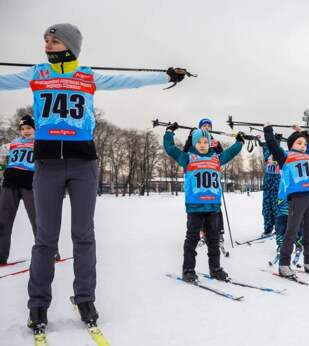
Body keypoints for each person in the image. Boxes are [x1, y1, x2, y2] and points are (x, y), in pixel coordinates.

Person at [0, 23, 189, 333]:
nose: (47, 44)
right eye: (45, 40)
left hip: (82, 164)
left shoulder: (88, 75)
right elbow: (4, 82)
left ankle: (86, 297)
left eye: (54, 40)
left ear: (70, 45)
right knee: (45, 238)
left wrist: (165, 75)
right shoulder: (37, 73)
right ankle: (38, 303)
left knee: (83, 234)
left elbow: (128, 80)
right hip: (47, 164)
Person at [164, 122, 243, 282]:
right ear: (194, 143)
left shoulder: (216, 159)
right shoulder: (187, 158)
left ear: (210, 143)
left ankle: (215, 268)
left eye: (205, 142)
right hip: (195, 207)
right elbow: (170, 149)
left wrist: (240, 141)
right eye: (199, 142)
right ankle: (188, 270)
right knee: (192, 238)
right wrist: (169, 132)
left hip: (213, 206)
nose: (202, 145)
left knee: (213, 239)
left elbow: (231, 152)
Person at [264, 124, 309, 278]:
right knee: (291, 231)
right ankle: (284, 264)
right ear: (291, 145)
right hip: (297, 198)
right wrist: (268, 130)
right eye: (299, 143)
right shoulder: (285, 157)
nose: (303, 146)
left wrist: (302, 133)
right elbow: (272, 145)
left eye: (304, 144)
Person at [0, 116, 39, 264]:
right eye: (23, 129)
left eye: (29, 128)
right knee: (3, 220)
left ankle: (50, 253)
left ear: (35, 129)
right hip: (10, 183)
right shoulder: (14, 143)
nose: (26, 131)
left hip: (30, 183)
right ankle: (1, 256)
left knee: (38, 219)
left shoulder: (40, 142)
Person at [261, 141, 281, 236]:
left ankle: (279, 229)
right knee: (266, 210)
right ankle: (267, 229)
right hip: (267, 187)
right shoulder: (267, 154)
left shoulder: (280, 153)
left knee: (277, 209)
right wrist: (264, 144)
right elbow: (266, 153)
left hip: (277, 188)